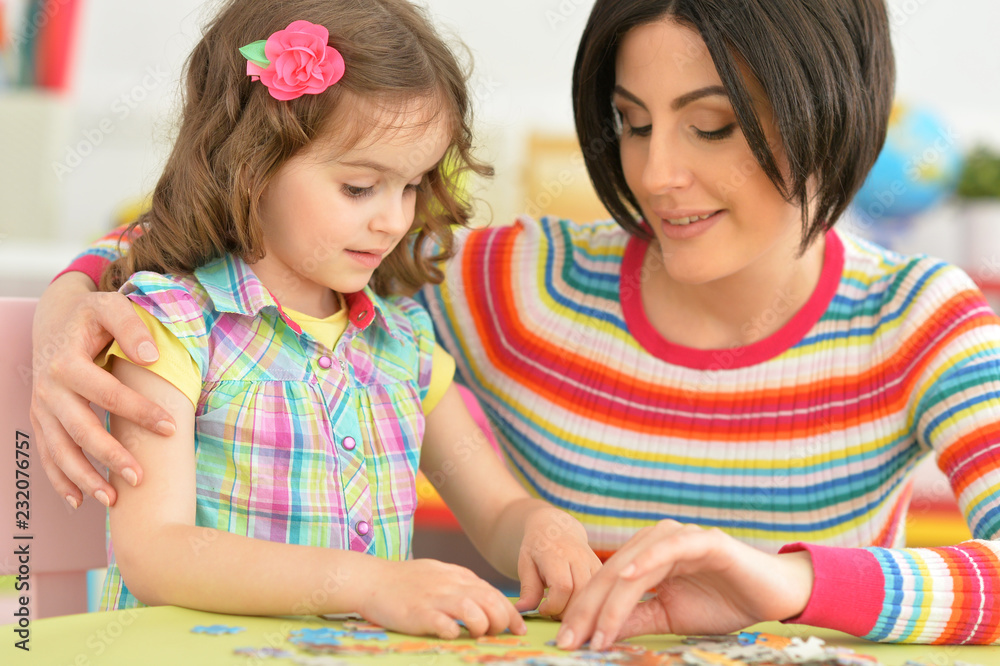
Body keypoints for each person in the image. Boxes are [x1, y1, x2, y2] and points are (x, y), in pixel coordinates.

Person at [31, 0, 1000, 648]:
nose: (655, 174)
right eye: (629, 120)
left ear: (832, 107)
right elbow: (249, 246)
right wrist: (71, 302)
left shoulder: (919, 319)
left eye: (710, 126)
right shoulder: (513, 283)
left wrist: (790, 585)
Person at [29, 0, 602, 638]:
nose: (393, 219)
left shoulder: (402, 342)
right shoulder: (172, 329)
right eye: (360, 188)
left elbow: (496, 515)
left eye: (411, 185)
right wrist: (371, 585)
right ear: (252, 165)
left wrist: (540, 527)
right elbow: (155, 552)